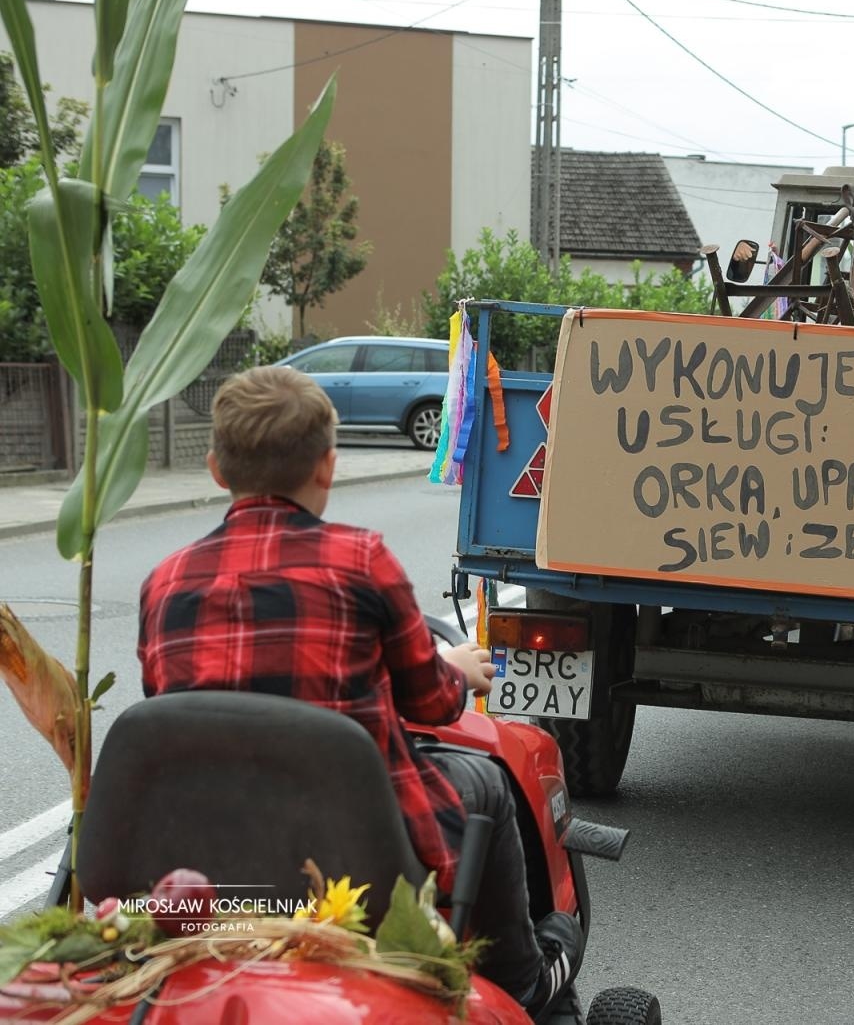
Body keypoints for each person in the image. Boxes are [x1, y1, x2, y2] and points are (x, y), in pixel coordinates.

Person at [138, 367, 582, 1018]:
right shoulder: (361, 558)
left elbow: (171, 717)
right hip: (355, 853)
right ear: (327, 466)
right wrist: (455, 666)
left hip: (208, 851)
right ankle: (520, 981)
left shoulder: (164, 582)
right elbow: (433, 706)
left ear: (214, 469)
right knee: (483, 780)